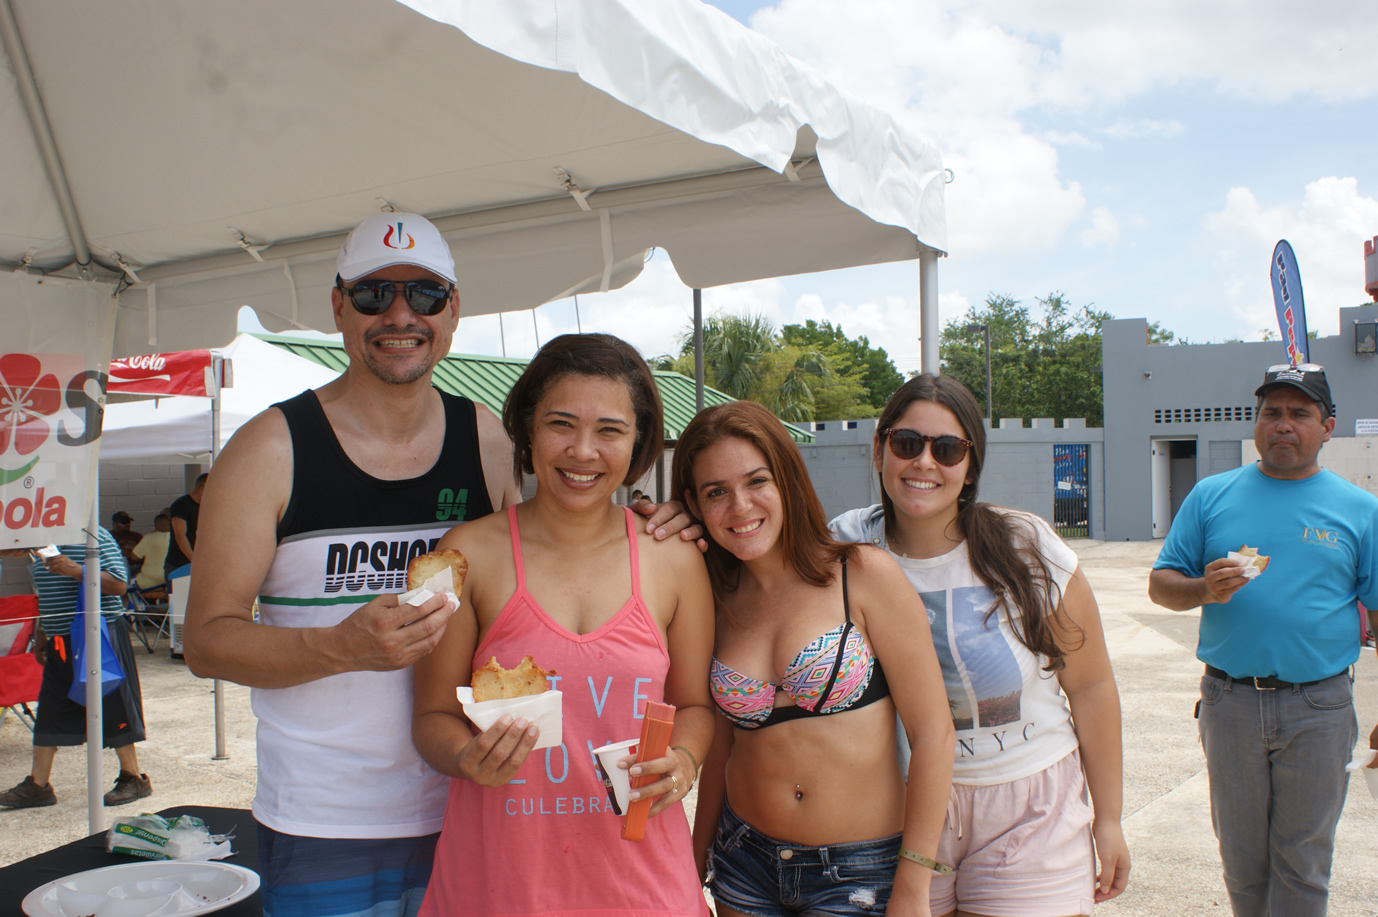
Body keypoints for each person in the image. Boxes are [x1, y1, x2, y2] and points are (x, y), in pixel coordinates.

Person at [183, 213, 693, 917]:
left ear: (452, 311)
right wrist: (340, 647)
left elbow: (558, 535)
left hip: (486, 815)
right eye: (374, 294)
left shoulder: (484, 440)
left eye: (424, 294)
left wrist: (654, 521)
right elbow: (206, 641)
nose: (400, 315)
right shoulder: (270, 448)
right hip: (330, 818)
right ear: (338, 306)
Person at [412, 333, 714, 916]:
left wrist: (683, 761)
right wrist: (465, 757)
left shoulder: (675, 557)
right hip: (498, 887)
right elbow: (431, 716)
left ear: (638, 442)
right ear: (527, 429)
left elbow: (696, 706)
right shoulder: (462, 553)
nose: (583, 451)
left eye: (609, 430)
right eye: (561, 424)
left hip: (644, 888)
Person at [830, 374, 1129, 916]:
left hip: (1030, 806)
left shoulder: (1025, 547)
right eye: (906, 443)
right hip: (900, 810)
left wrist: (1108, 820)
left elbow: (1090, 686)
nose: (924, 462)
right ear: (879, 451)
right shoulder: (844, 546)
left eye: (947, 449)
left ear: (970, 466)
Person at [674, 400, 955, 917]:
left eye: (756, 481)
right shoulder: (711, 599)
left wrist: (914, 883)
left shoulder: (862, 574)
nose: (740, 506)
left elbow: (933, 734)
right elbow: (721, 750)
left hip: (859, 871)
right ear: (693, 502)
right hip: (743, 862)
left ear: (786, 479)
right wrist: (690, 870)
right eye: (716, 492)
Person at [1148, 363, 1378, 917]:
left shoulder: (1361, 510)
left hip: (1320, 706)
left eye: (1299, 414)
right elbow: (1161, 585)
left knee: (1304, 863)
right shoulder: (1210, 496)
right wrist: (1204, 588)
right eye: (1271, 412)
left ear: (1328, 427)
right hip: (1229, 702)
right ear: (1256, 423)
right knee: (1242, 861)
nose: (1283, 424)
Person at [0, 528, 152, 808]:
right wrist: (44, 632)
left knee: (113, 703)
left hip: (99, 632)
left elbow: (119, 584)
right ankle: (38, 785)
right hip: (60, 639)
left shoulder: (93, 534)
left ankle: (133, 776)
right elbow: (47, 594)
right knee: (51, 706)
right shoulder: (40, 545)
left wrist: (77, 570)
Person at [164, 473, 206, 579]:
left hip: (197, 562)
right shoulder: (182, 505)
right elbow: (180, 535)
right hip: (179, 564)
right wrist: (194, 560)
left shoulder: (204, 506)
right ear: (203, 487)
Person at [130, 514, 171, 592]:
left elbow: (134, 557)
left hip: (148, 582)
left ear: (156, 526)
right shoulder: (177, 539)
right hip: (170, 581)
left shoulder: (148, 537)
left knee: (129, 583)